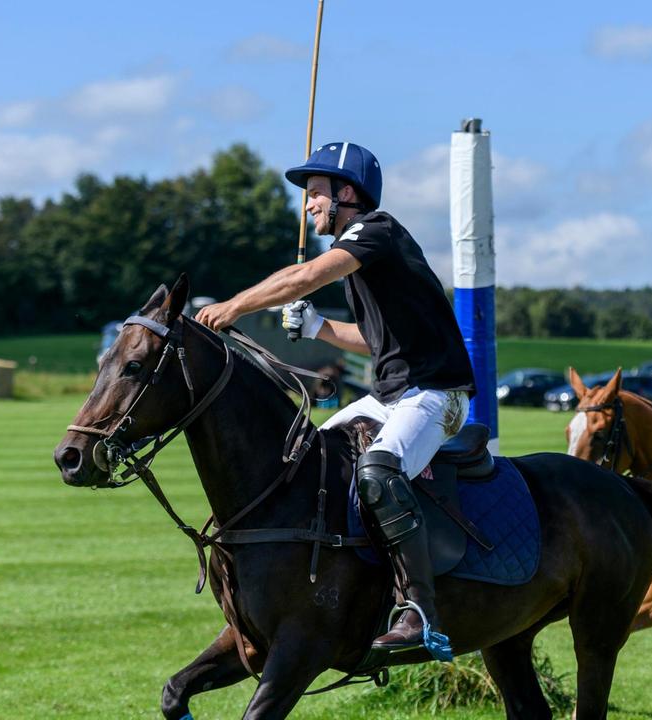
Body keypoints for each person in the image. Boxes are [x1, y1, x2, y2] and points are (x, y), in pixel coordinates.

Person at [196, 142, 476, 660]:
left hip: (438, 395)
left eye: (315, 194)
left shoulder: (375, 232)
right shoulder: (366, 258)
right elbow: (376, 340)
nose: (307, 206)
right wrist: (319, 327)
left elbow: (305, 277)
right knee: (306, 453)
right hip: (390, 397)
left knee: (377, 474)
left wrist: (235, 305)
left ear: (347, 193)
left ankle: (419, 612)